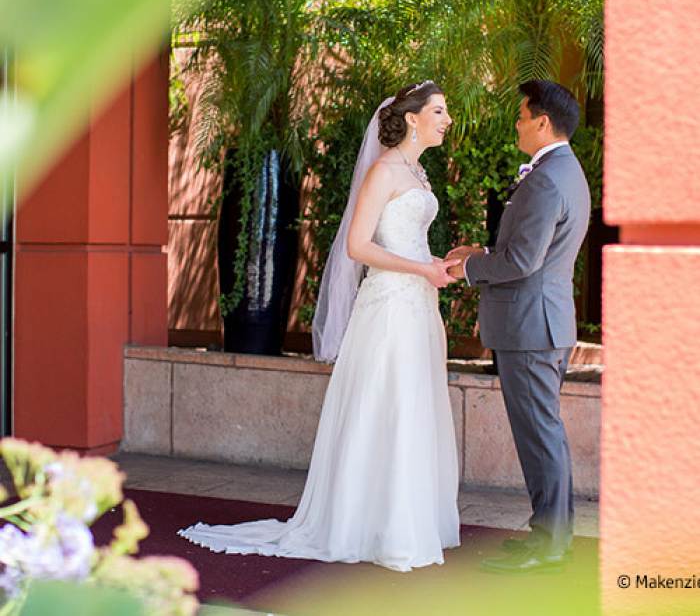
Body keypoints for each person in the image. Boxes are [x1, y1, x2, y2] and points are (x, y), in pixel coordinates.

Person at [178, 81, 462, 572]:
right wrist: (421, 270)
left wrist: (439, 263)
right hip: (390, 309)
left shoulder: (417, 172)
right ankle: (375, 526)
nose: (447, 119)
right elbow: (358, 246)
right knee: (387, 405)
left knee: (412, 405)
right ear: (412, 118)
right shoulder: (384, 170)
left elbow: (404, 243)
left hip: (417, 305)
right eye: (439, 111)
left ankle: (405, 522)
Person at [447, 79, 591, 573]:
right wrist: (483, 253)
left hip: (532, 329)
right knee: (542, 433)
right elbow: (532, 253)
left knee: (539, 434)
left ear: (542, 122)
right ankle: (550, 535)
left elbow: (525, 260)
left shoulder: (548, 178)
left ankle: (549, 543)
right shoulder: (562, 172)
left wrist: (467, 269)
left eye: (521, 115)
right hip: (540, 324)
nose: (517, 123)